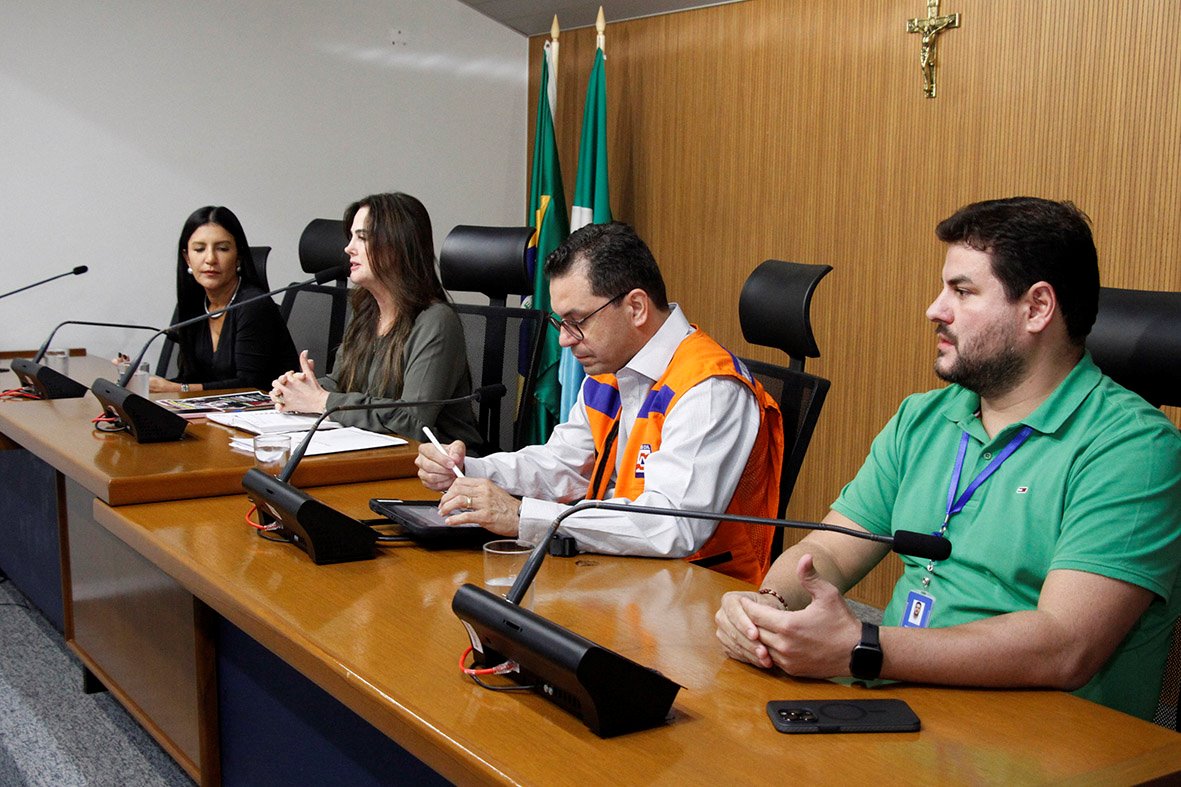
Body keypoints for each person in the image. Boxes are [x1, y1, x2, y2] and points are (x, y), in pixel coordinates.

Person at [714, 197, 1181, 721]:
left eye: (962, 291)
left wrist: (863, 646)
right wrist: (769, 609)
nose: (935, 309)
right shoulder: (923, 417)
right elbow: (829, 550)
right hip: (898, 707)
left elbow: (1065, 645)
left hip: (1041, 738)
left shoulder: (1135, 449)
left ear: (1037, 308)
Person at [416, 222, 785, 584]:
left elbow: (670, 525)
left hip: (701, 593)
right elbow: (564, 464)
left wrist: (521, 515)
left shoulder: (709, 389)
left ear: (636, 307)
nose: (564, 340)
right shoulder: (611, 368)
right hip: (624, 575)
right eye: (560, 322)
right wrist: (471, 471)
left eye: (577, 321)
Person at [270, 192, 481, 445]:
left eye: (362, 237)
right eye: (351, 237)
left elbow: (412, 421)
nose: (348, 248)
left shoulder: (436, 321)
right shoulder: (366, 312)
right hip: (372, 448)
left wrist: (322, 401)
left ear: (398, 246)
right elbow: (341, 384)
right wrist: (300, 389)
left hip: (437, 461)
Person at [151, 205, 297, 393]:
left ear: (238, 257)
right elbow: (192, 378)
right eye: (199, 249)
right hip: (211, 408)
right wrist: (145, 382)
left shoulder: (253, 304)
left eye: (222, 248)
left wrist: (179, 388)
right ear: (187, 258)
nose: (210, 259)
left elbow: (249, 384)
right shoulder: (194, 305)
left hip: (267, 407)